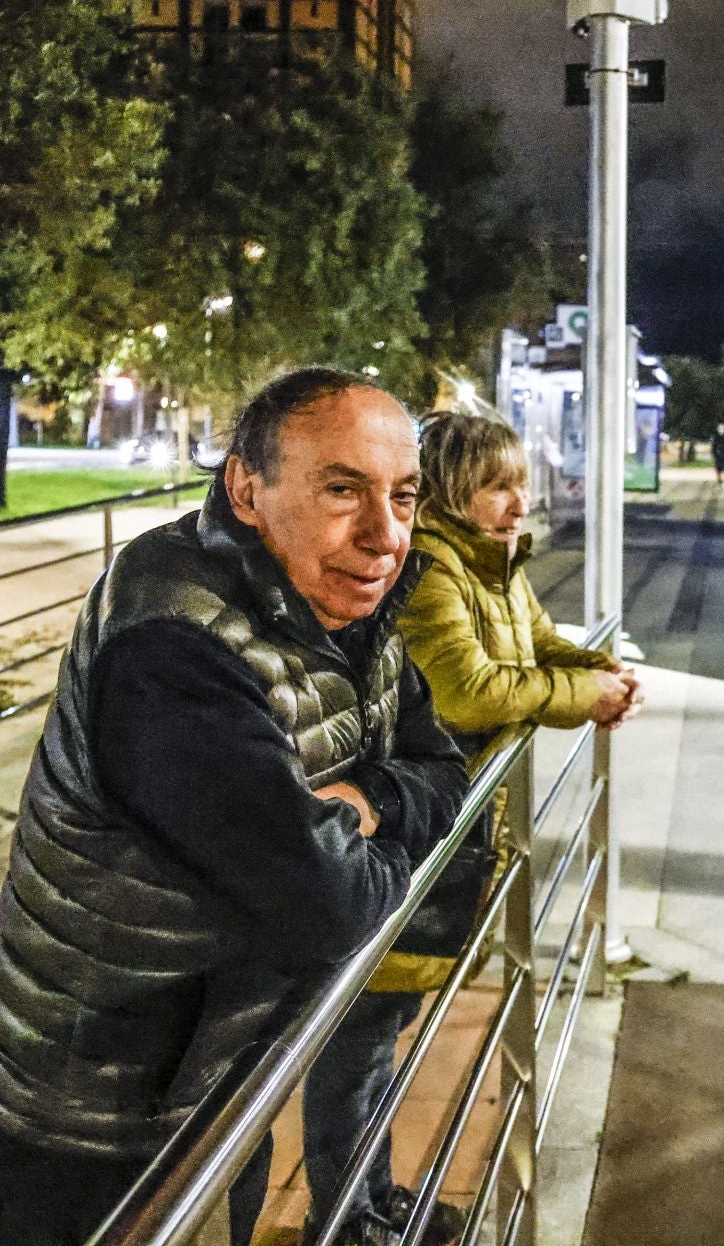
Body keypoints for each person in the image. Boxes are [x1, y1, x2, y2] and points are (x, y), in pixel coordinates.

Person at [0, 369, 467, 1246]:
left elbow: (443, 767)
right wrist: (385, 844)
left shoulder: (346, 605)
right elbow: (330, 908)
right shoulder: (171, 642)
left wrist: (371, 798)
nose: (385, 534)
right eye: (343, 489)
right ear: (246, 487)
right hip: (100, 1110)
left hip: (219, 1069)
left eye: (404, 495)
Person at [301, 413, 642, 1237]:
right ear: (455, 491)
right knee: (362, 1040)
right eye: (499, 484)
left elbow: (535, 643)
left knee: (378, 1037)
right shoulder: (430, 571)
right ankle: (347, 1222)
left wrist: (600, 672)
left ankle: (370, 1199)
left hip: (444, 834)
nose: (520, 500)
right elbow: (467, 692)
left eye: (520, 481)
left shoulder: (488, 567)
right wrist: (578, 699)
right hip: (398, 838)